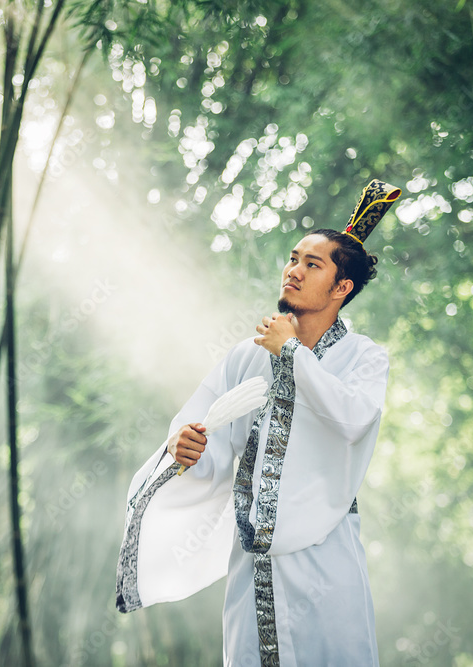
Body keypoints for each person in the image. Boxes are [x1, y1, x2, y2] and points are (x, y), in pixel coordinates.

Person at [116, 180, 401, 666]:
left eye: (313, 265)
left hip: (325, 555)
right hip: (252, 561)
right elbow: (205, 428)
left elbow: (353, 418)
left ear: (341, 288)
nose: (293, 271)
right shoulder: (244, 356)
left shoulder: (363, 358)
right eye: (294, 259)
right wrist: (186, 449)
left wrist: (290, 351)